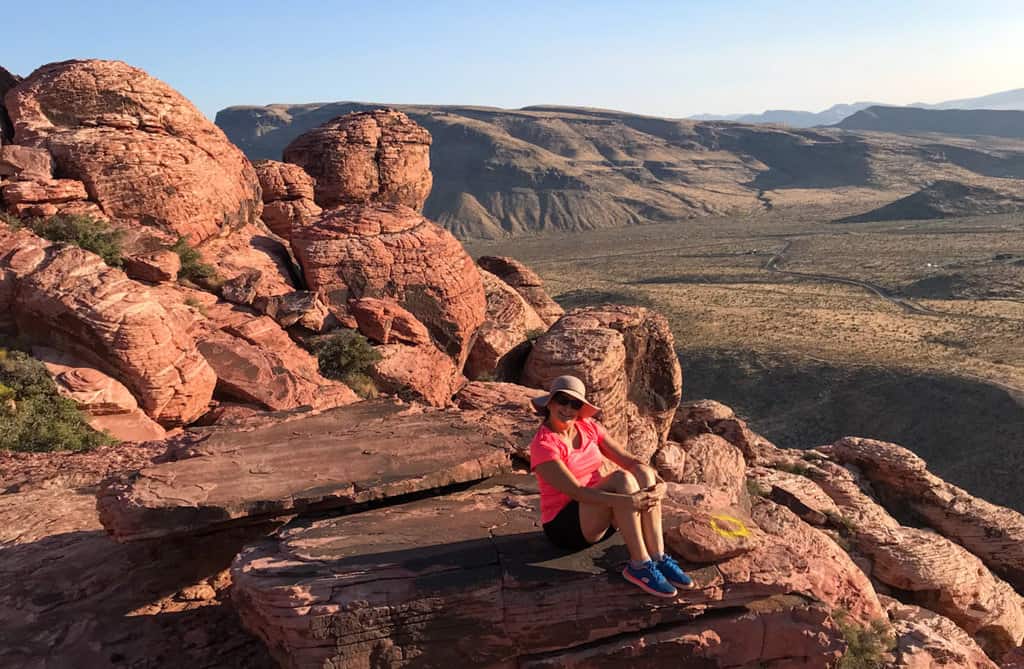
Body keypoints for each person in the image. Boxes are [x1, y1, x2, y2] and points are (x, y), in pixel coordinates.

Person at [529, 375, 694, 598]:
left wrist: (659, 483)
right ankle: (639, 565)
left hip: (600, 512)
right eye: (562, 400)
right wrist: (628, 501)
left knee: (642, 472)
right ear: (550, 403)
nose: (568, 408)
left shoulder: (587, 428)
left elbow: (629, 460)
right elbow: (576, 492)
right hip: (566, 526)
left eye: (575, 403)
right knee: (622, 480)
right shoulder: (544, 445)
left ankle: (657, 557)